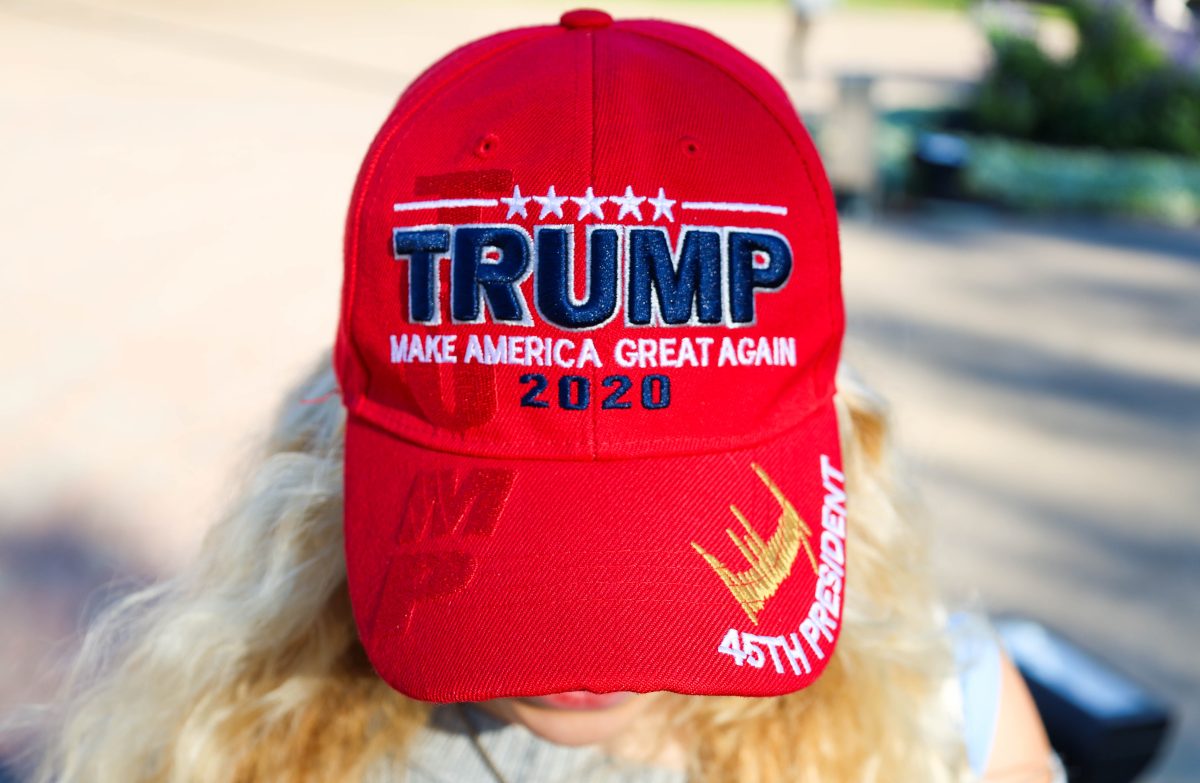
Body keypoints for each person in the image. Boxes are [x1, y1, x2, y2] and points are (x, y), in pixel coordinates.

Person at [33, 9, 1060, 782]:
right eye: (543, 550)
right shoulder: (234, 744)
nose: (587, 653)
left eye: (648, 549)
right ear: (340, 451)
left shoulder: (949, 726)